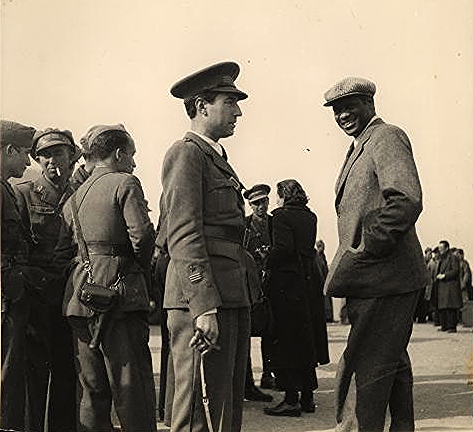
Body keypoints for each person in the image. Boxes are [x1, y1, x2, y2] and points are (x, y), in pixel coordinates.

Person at [323, 77, 429, 432]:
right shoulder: (360, 145)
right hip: (383, 278)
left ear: (370, 103)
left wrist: (367, 249)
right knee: (390, 364)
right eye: (337, 109)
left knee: (364, 365)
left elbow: (406, 198)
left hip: (383, 276)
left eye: (351, 104)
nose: (343, 114)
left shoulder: (385, 137)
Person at [157, 61, 251, 432]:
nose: (238, 111)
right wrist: (203, 306)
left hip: (229, 292)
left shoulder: (214, 156)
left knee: (225, 403)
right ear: (201, 106)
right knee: (197, 406)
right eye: (230, 102)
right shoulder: (187, 153)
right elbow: (183, 232)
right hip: (204, 298)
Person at [54, 124, 157, 431]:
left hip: (80, 299)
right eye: (132, 155)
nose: (134, 163)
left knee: (92, 390)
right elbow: (141, 237)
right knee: (132, 388)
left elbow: (62, 251)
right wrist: (136, 271)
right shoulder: (125, 182)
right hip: (121, 297)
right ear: (118, 153)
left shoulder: (74, 196)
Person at [15, 127, 81, 432]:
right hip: (37, 297)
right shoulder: (24, 193)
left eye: (58, 153)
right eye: (45, 155)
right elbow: (18, 249)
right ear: (37, 160)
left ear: (72, 156)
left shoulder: (81, 194)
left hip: (70, 294)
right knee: (33, 373)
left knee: (68, 370)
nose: (53, 161)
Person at [263, 179, 329, 417]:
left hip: (288, 285)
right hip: (309, 281)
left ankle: (291, 399)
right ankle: (307, 399)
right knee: (307, 339)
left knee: (285, 339)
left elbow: (283, 249)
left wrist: (266, 259)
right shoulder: (310, 216)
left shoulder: (280, 215)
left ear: (283, 195)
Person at [1, 120, 36, 432]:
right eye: (24, 153)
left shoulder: (6, 190)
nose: (29, 161)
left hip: (12, 293)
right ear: (9, 149)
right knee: (5, 370)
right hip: (3, 298)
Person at [242, 183, 274, 401]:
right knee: (247, 330)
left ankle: (268, 373)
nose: (260, 206)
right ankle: (249, 381)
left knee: (271, 331)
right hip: (251, 284)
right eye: (255, 203)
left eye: (263, 202)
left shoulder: (275, 223)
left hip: (272, 282)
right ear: (250, 205)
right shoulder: (244, 225)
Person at [435, 240, 462, 332]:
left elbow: (455, 271)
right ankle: (444, 326)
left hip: (450, 286)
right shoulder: (441, 258)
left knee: (450, 308)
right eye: (439, 248)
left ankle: (452, 327)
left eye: (441, 248)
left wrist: (444, 275)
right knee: (443, 308)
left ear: (447, 248)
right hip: (443, 286)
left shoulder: (453, 258)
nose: (440, 250)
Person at [316, 239, 334, 322]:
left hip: (324, 281)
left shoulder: (321, 256)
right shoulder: (318, 256)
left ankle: (328, 316)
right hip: (323, 282)